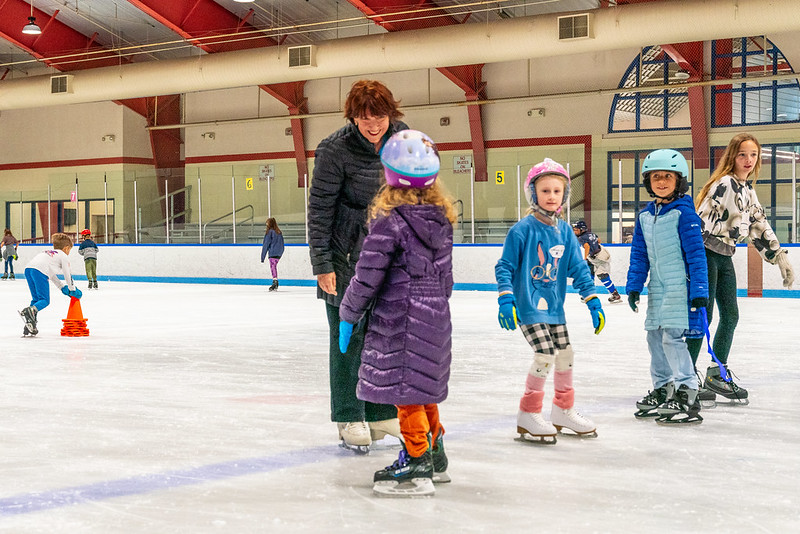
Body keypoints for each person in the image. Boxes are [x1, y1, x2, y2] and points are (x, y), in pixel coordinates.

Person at [339, 130, 455, 497]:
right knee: (424, 390)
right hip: (436, 315)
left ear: (389, 175)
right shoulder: (441, 220)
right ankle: (435, 456)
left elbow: (367, 276)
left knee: (406, 394)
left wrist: (348, 314)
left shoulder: (389, 221)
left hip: (399, 320)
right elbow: (447, 279)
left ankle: (416, 461)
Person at [307, 79, 406, 452]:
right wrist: (323, 263)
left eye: (379, 116)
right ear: (353, 118)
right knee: (348, 337)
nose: (374, 125)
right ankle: (349, 414)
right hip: (346, 254)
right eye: (365, 118)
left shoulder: (404, 139)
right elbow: (319, 210)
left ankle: (380, 412)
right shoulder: (333, 150)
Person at [495, 158, 605, 445]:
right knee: (545, 355)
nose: (552, 196)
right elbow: (504, 266)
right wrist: (506, 298)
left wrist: (592, 299)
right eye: (545, 191)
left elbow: (578, 268)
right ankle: (528, 413)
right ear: (533, 194)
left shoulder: (565, 231)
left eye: (557, 191)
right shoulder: (522, 230)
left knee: (565, 356)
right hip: (528, 307)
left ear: (564, 196)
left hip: (555, 309)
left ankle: (562, 410)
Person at [687, 133, 794, 405]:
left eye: (753, 155)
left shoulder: (746, 189)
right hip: (706, 253)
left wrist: (778, 255)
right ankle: (684, 377)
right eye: (742, 154)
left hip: (724, 256)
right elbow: (701, 223)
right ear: (732, 156)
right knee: (703, 316)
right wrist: (691, 260)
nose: (748, 160)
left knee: (730, 316)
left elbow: (758, 223)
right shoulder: (724, 184)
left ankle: (716, 373)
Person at [626, 149, 708, 424]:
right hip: (657, 289)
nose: (661, 181)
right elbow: (639, 254)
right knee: (653, 339)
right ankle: (663, 388)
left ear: (679, 180)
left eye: (667, 176)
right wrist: (635, 285)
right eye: (656, 176)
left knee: (672, 338)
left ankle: (688, 390)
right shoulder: (644, 217)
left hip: (679, 288)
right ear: (648, 181)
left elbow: (697, 256)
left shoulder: (685, 215)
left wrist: (699, 291)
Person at [19, 232, 83, 337]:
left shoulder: (49, 253)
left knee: (36, 300)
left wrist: (61, 287)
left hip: (28, 270)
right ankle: (30, 311)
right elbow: (68, 274)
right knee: (44, 300)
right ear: (66, 248)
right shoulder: (63, 256)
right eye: (69, 250)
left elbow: (51, 274)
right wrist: (72, 289)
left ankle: (30, 323)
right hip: (39, 271)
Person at [571, 220, 622, 303]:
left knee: (602, 275)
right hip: (596, 256)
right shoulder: (591, 234)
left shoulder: (581, 238)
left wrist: (584, 259)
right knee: (589, 273)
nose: (574, 231)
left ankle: (615, 294)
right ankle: (589, 294)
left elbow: (586, 246)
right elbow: (598, 240)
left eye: (576, 230)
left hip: (600, 259)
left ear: (582, 230)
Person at [260, 218, 285, 291]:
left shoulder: (270, 232)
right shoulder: (279, 232)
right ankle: (275, 281)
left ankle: (275, 281)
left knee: (272, 266)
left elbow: (266, 244)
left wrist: (262, 257)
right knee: (274, 266)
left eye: (267, 223)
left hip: (273, 252)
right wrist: (281, 252)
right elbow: (282, 244)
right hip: (279, 252)